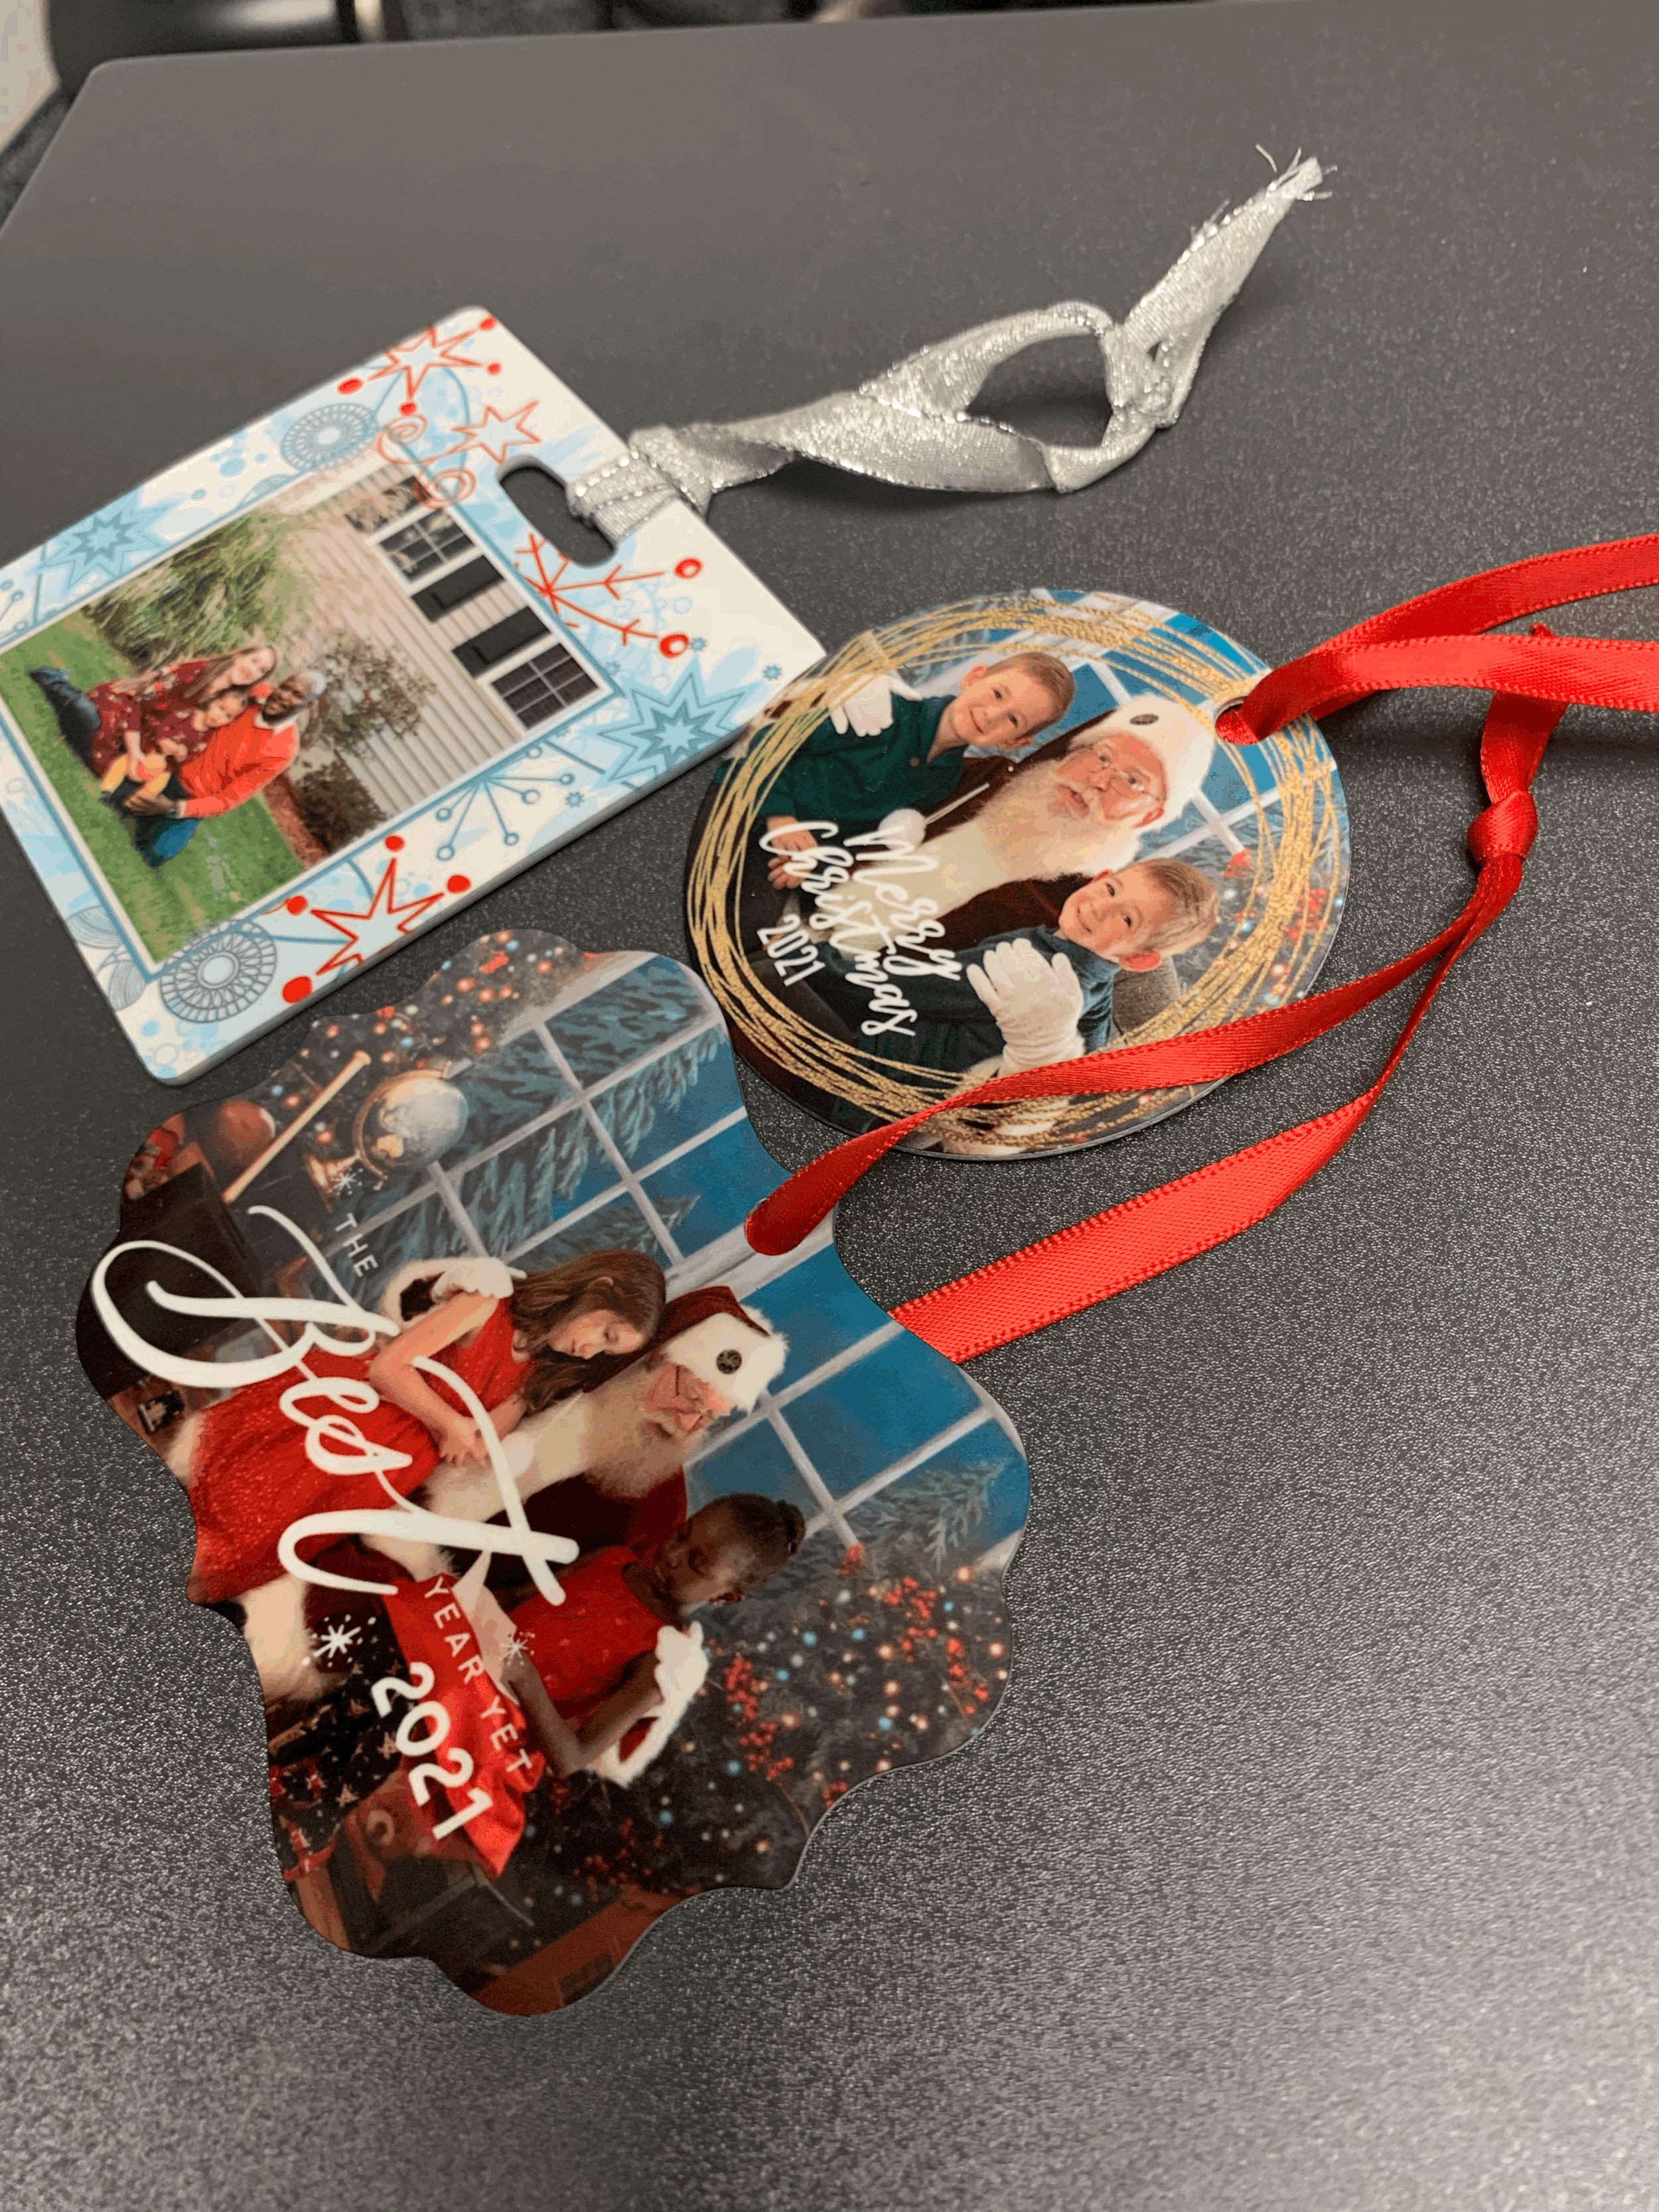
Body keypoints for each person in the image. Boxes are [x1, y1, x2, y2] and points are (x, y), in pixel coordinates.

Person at [171, 1248, 666, 1607]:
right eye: (605, 1333)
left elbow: (474, 1444)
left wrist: (474, 1440)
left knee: (260, 1550)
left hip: (378, 1473)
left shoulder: (535, 1377)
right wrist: (449, 1423)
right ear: (598, 1289)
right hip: (353, 1421)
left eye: (607, 1351)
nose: (590, 1351)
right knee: (232, 1519)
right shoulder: (487, 1304)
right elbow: (389, 1368)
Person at [417, 1283, 791, 1566]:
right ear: (656, 1357)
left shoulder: (661, 1507)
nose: (687, 1421)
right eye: (690, 1397)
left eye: (709, 1417)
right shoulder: (562, 1361)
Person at [810, 694, 1216, 948]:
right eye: (1101, 756)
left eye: (1132, 782)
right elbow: (870, 777)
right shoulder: (990, 777)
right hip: (804, 888)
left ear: (1150, 816)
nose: (1097, 780)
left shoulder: (1080, 909)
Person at [810, 856, 1221, 1078]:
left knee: (784, 975)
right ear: (1100, 877)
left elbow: (908, 989)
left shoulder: (1034, 967)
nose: (1100, 906)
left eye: (1127, 919)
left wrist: (816, 960)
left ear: (1138, 959)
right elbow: (1091, 1047)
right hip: (909, 1072)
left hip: (872, 1061)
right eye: (1111, 889)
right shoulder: (1093, 985)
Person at [501, 1494, 806, 1778]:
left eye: (697, 1564)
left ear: (726, 1597)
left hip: (498, 1729)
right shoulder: (612, 1558)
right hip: (477, 1654)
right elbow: (518, 1597)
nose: (673, 1555)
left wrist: (525, 1678)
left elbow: (571, 1758)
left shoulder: (659, 1657)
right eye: (683, 1535)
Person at [754, 653, 1076, 889]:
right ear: (974, 677)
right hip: (752, 806)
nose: (992, 714)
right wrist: (781, 818)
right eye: (997, 694)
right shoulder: (882, 709)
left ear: (1014, 742)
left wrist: (811, 863)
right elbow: (767, 742)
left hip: (785, 855)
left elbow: (853, 836)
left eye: (1013, 720)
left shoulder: (944, 780)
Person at [120, 668, 326, 867]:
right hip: (170, 768)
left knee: (157, 852)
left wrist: (174, 808)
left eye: (296, 695)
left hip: (192, 798)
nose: (284, 696)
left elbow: (229, 799)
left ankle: (159, 816)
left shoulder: (284, 749)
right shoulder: (256, 693)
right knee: (122, 797)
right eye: (285, 687)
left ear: (308, 705)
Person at [27, 646, 277, 783]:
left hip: (149, 733)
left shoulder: (227, 700)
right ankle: (55, 682)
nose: (253, 669)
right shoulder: (198, 672)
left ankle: (75, 712)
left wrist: (173, 750)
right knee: (90, 725)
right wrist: (135, 749)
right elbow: (139, 701)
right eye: (254, 660)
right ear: (240, 655)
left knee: (115, 769)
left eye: (261, 670)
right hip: (126, 708)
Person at [96, 682, 259, 806]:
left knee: (159, 784)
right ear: (214, 702)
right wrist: (166, 741)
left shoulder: (207, 737)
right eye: (221, 708)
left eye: (227, 716)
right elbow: (163, 728)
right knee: (123, 763)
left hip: (164, 767)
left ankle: (131, 805)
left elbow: (190, 757)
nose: (219, 716)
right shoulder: (188, 714)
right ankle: (108, 790)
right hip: (149, 751)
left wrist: (181, 756)